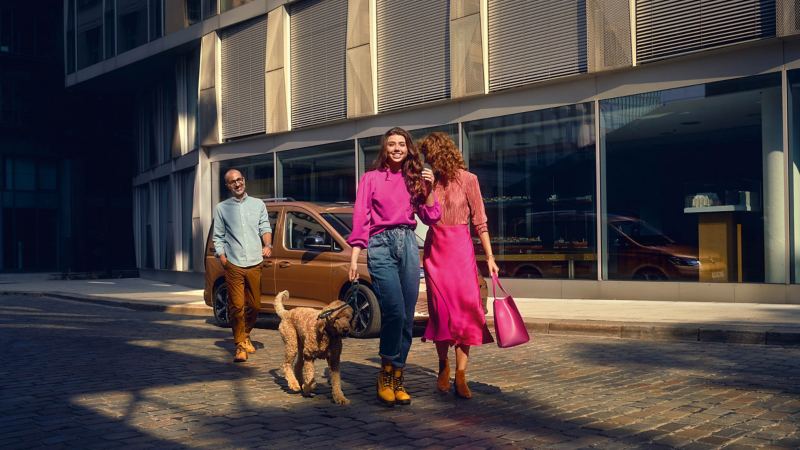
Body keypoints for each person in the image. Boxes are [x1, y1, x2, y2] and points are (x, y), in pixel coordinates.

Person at [347, 127, 441, 406]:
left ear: (408, 148)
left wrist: (431, 189)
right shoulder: (371, 178)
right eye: (392, 144)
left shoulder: (414, 178)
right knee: (395, 312)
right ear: (385, 149)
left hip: (409, 244)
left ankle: (398, 376)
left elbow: (431, 216)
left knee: (407, 316)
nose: (397, 148)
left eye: (402, 144)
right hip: (380, 245)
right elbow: (360, 219)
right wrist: (354, 257)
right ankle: (385, 374)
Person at [417, 132, 499, 399]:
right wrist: (426, 190)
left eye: (428, 155)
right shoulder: (427, 182)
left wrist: (490, 257)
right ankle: (443, 365)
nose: (426, 161)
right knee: (440, 313)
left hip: (461, 251)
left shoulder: (468, 180)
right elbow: (426, 218)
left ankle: (461, 376)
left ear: (440, 153)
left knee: (465, 313)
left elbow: (481, 222)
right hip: (435, 251)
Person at [213, 169, 273, 363]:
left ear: (244, 180)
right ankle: (240, 346)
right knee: (236, 306)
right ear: (228, 186)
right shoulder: (222, 208)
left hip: (255, 262)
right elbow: (218, 236)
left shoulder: (258, 204)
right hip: (234, 263)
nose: (237, 184)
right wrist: (223, 258)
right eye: (233, 182)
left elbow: (265, 227)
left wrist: (268, 245)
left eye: (239, 180)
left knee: (254, 305)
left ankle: (246, 333)